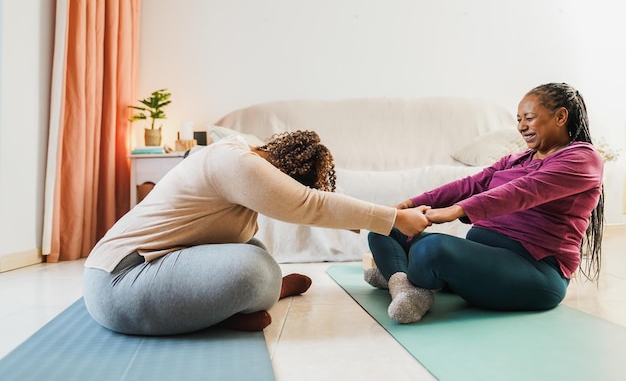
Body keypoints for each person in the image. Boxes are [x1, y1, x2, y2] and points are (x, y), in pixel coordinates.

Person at [83, 130, 430, 335]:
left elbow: (315, 206)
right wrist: (394, 219)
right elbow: (311, 204)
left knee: (253, 245)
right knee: (253, 269)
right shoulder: (238, 164)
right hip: (120, 282)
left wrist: (379, 220)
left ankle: (234, 306)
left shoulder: (241, 154)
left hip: (142, 272)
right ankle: (253, 298)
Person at [366, 82, 605, 324]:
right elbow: (470, 185)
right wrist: (408, 205)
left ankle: (398, 271)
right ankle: (405, 287)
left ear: (560, 116)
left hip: (535, 270)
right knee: (385, 227)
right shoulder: (517, 158)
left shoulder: (583, 158)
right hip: (483, 260)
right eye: (519, 119)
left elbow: (524, 191)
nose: (521, 126)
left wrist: (455, 210)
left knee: (431, 249)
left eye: (529, 118)